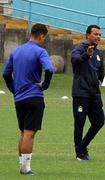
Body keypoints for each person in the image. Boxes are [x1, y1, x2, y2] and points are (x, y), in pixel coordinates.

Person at [2, 23, 54, 175]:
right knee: (29, 133)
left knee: (24, 133)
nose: (45, 40)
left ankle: (22, 165)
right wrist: (45, 84)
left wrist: (14, 89)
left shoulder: (16, 51)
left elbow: (6, 74)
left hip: (19, 99)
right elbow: (49, 69)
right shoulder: (40, 51)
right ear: (41, 36)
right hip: (34, 96)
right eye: (45, 37)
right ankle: (25, 169)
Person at [71, 25, 105, 161]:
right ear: (87, 35)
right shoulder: (80, 48)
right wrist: (86, 54)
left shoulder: (99, 54)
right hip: (81, 92)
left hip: (94, 93)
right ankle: (79, 153)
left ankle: (83, 145)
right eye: (95, 34)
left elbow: (101, 75)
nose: (98, 37)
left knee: (99, 121)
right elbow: (74, 60)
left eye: (100, 35)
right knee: (80, 122)